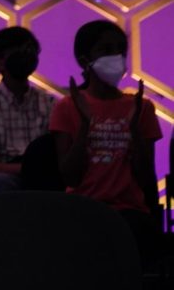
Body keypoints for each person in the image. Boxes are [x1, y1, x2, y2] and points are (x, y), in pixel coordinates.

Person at [50, 20, 162, 266]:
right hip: (82, 209)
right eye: (106, 49)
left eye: (120, 49)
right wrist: (85, 126)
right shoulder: (67, 106)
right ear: (84, 60)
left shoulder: (141, 107)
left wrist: (133, 131)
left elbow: (146, 177)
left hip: (130, 212)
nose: (116, 56)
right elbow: (69, 177)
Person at [0, 27, 56, 197]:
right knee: (2, 183)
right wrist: (29, 170)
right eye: (18, 52)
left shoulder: (49, 102)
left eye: (30, 51)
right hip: (0, 178)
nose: (25, 56)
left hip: (40, 178)